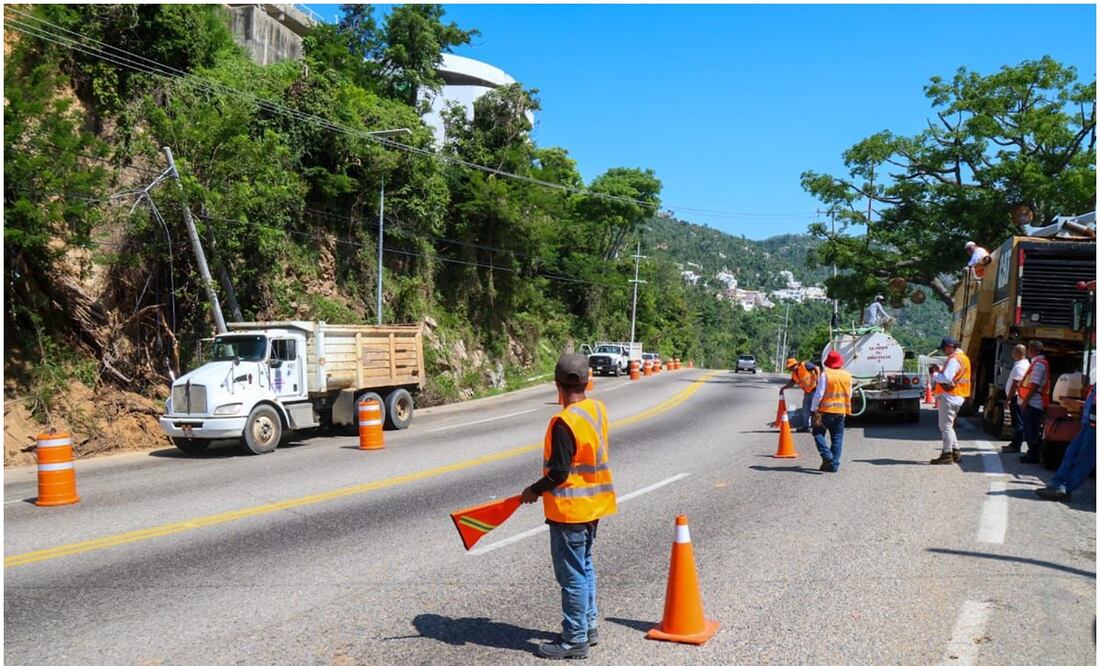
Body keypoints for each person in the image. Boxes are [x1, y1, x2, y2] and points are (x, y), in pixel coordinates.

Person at [521, 353, 617, 660]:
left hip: (570, 511)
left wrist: (533, 491)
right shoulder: (596, 409)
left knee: (572, 576)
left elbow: (559, 474)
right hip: (593, 507)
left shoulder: (564, 422)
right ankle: (589, 626)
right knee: (584, 566)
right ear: (589, 382)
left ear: (556, 384)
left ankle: (575, 639)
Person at [1035, 384, 1095, 501]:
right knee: (1072, 452)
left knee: (1084, 458)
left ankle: (1065, 488)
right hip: (1089, 423)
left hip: (1093, 425)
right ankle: (1058, 485)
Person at [929, 337, 971, 465]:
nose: (943, 352)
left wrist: (934, 374)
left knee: (945, 427)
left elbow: (947, 378)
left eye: (944, 349)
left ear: (950, 347)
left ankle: (947, 454)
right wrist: (940, 370)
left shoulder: (954, 359)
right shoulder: (963, 358)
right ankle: (955, 451)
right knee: (949, 426)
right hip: (958, 395)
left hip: (949, 396)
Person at [810, 350, 852, 472]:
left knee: (817, 433)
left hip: (825, 411)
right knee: (837, 439)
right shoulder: (848, 376)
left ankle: (827, 455)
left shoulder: (826, 375)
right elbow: (849, 394)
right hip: (840, 412)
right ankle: (834, 465)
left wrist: (813, 409)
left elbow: (819, 394)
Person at [1017, 340, 1050, 464]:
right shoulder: (1038, 363)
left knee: (1031, 430)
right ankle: (1032, 453)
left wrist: (1025, 401)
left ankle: (1033, 455)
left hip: (1033, 403)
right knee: (1031, 429)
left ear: (1033, 350)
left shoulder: (1039, 365)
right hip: (1033, 402)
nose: (1028, 351)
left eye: (1029, 348)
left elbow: (1035, 385)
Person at [1001, 344, 1030, 453]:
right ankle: (1014, 443)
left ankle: (1016, 445)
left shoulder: (1020, 366)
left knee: (1018, 422)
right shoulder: (1023, 364)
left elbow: (1016, 384)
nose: (1012, 353)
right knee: (1017, 421)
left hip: (1017, 397)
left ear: (1017, 353)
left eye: (1013, 351)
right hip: (1018, 397)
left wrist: (1008, 399)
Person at [781, 357, 819, 432]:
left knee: (815, 409)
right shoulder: (794, 374)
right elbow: (791, 383)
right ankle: (806, 426)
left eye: (791, 367)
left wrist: (818, 379)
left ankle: (817, 427)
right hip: (807, 392)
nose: (791, 369)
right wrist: (783, 388)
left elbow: (816, 368)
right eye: (789, 368)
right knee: (805, 410)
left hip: (815, 390)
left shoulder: (805, 365)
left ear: (795, 364)